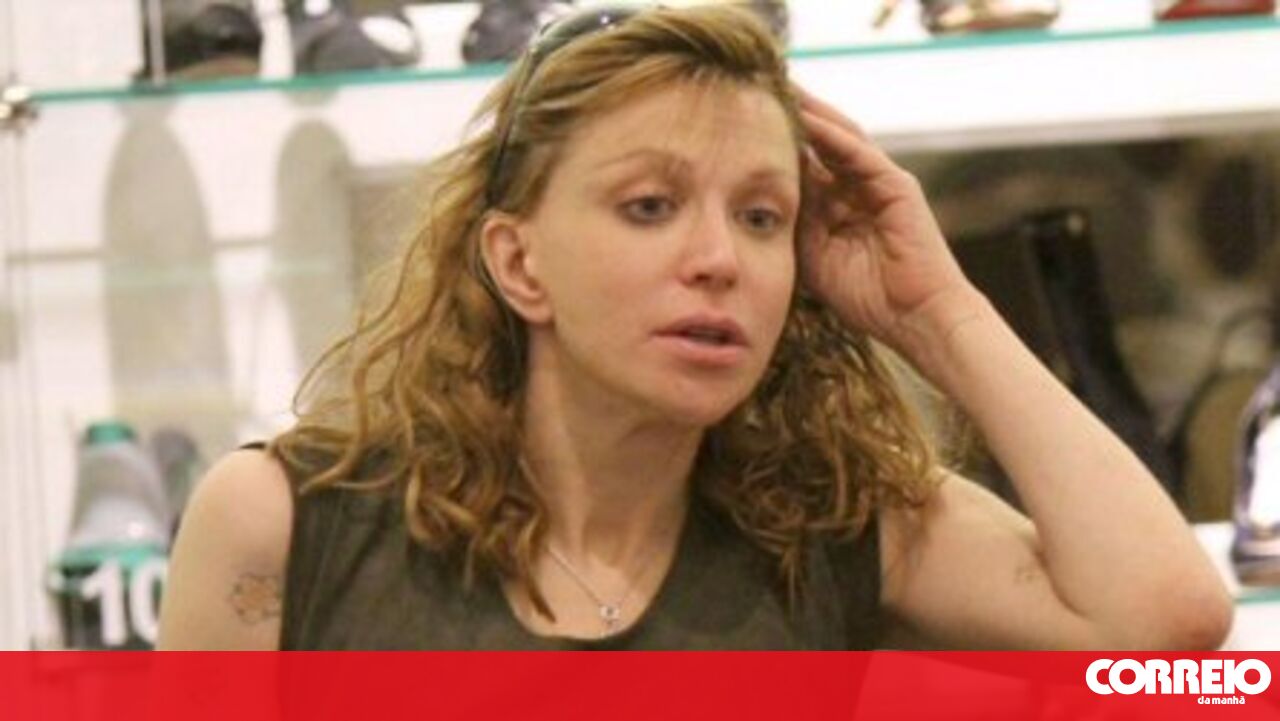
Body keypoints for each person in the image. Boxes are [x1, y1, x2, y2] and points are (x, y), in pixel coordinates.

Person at [157, 4, 1232, 650]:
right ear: (518, 262)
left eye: (761, 217)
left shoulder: (828, 525)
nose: (719, 258)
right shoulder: (288, 523)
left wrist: (936, 312)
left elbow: (1165, 624)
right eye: (648, 206)